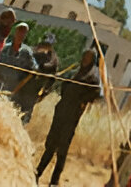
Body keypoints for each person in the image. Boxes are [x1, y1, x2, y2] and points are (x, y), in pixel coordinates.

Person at [37, 44, 104, 186]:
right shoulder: (74, 72)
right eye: (85, 56)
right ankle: (38, 172)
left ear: (92, 60)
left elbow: (96, 94)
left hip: (72, 115)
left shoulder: (92, 76)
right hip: (61, 111)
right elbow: (63, 85)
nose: (86, 59)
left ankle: (54, 181)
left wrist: (82, 101)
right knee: (50, 144)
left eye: (89, 57)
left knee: (62, 149)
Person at [0, 22, 38, 121]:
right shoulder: (4, 48)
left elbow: (34, 69)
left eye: (23, 32)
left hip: (15, 91)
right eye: (19, 31)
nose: (21, 34)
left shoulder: (26, 52)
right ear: (15, 32)